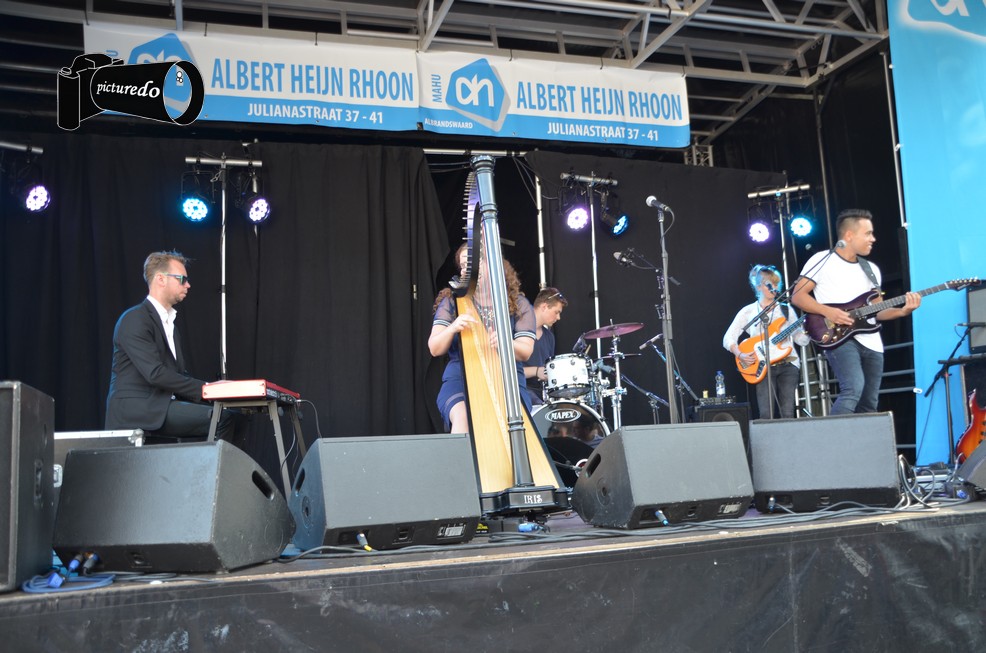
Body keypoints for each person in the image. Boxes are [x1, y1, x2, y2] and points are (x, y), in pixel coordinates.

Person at [791, 209, 921, 414]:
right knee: (852, 389)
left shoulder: (871, 269)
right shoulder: (822, 260)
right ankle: (832, 436)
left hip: (872, 342)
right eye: (868, 233)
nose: (873, 239)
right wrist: (827, 311)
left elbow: (877, 311)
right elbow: (798, 296)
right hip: (838, 336)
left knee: (869, 403)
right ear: (849, 235)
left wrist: (902, 312)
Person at [105, 251, 234, 441]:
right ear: (161, 279)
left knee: (235, 417)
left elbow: (177, 375)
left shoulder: (171, 326)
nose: (188, 285)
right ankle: (212, 462)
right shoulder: (134, 319)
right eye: (182, 279)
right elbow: (155, 373)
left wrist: (214, 390)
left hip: (160, 406)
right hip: (137, 410)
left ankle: (213, 460)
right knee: (224, 419)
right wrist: (206, 389)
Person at [429, 243, 536, 434]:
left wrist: (506, 343)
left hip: (507, 379)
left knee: (513, 423)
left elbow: (526, 351)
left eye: (471, 264)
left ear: (491, 265)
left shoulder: (518, 304)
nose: (466, 270)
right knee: (463, 416)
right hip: (460, 378)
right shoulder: (451, 302)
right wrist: (453, 327)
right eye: (463, 266)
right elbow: (435, 348)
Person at [723, 265, 810, 419]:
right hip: (762, 365)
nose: (774, 287)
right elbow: (728, 338)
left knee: (788, 413)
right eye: (769, 284)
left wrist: (809, 330)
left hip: (788, 363)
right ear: (758, 287)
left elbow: (800, 339)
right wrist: (740, 354)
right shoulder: (748, 311)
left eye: (776, 283)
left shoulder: (786, 309)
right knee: (766, 414)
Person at [523, 288, 568, 406]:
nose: (558, 317)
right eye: (556, 312)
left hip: (543, 394)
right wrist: (536, 371)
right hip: (521, 391)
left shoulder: (549, 336)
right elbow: (507, 371)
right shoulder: (517, 329)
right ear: (544, 307)